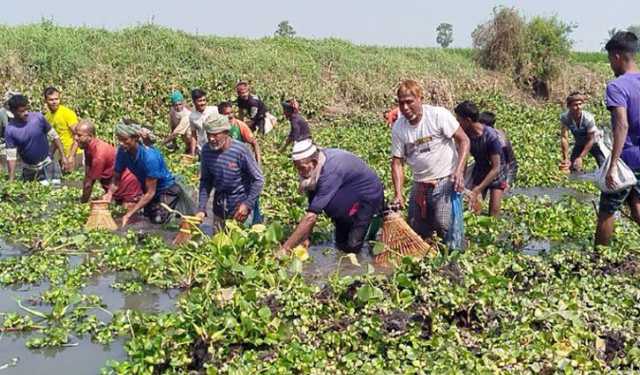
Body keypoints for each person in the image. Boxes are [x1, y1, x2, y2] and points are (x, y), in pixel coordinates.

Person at [391, 80, 470, 244]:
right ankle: (428, 261)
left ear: (420, 98)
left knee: (444, 224)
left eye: (409, 102)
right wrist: (398, 194)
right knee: (416, 227)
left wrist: (459, 171)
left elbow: (464, 141)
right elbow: (397, 162)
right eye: (401, 103)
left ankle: (452, 258)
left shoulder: (438, 115)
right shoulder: (399, 127)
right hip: (420, 181)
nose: (405, 108)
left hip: (445, 178)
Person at [281, 140, 384, 254]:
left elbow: (311, 217)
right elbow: (313, 200)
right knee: (340, 243)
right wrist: (305, 236)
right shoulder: (315, 166)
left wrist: (284, 249)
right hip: (346, 192)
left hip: (367, 195)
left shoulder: (329, 172)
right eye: (297, 168)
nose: (299, 172)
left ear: (314, 162)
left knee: (352, 246)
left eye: (302, 168)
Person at [595, 31, 640, 246]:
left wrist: (612, 165)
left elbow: (622, 125)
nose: (611, 65)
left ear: (617, 57)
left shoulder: (617, 86)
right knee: (636, 204)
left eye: (610, 60)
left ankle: (599, 258)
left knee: (607, 209)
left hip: (628, 157)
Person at [103, 122, 195, 226]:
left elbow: (151, 192)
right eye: (119, 139)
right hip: (148, 190)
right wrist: (109, 193)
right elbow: (116, 177)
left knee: (158, 221)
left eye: (125, 140)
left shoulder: (150, 157)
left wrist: (129, 214)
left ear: (135, 138)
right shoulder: (123, 151)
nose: (121, 143)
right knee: (146, 218)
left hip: (166, 190)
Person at [195, 114, 264, 232]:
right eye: (208, 134)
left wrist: (247, 205)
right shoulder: (206, 151)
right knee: (219, 243)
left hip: (240, 208)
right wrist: (201, 208)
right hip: (219, 207)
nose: (211, 138)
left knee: (240, 245)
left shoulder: (240, 150)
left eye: (215, 134)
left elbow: (258, 180)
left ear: (226, 133)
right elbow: (206, 181)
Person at [455, 101, 507, 217]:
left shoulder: (490, 136)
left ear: (468, 120)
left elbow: (496, 167)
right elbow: (464, 158)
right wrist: (461, 179)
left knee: (494, 213)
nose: (457, 123)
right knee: (474, 210)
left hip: (497, 173)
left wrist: (478, 189)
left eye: (459, 120)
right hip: (481, 168)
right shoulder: (465, 135)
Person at [74, 120, 142, 207]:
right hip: (114, 185)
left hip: (128, 186)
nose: (75, 138)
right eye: (75, 134)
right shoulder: (88, 147)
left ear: (90, 136)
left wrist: (82, 204)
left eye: (79, 135)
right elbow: (87, 175)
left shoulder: (99, 154)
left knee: (128, 215)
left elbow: (89, 183)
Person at [5, 94, 66, 185]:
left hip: (48, 164)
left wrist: (63, 156)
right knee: (33, 195)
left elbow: (55, 136)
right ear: (13, 111)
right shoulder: (10, 130)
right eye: (21, 111)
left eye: (26, 109)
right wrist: (11, 180)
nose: (26, 113)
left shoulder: (38, 118)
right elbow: (11, 157)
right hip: (29, 169)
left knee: (56, 192)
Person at [560, 92, 606, 171]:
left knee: (603, 165)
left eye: (580, 104)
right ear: (569, 106)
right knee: (573, 167)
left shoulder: (588, 118)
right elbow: (564, 137)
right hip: (580, 142)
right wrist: (566, 159)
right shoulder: (565, 118)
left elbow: (591, 139)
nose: (578, 107)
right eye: (575, 105)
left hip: (594, 143)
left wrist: (581, 157)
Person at [43, 87, 82, 171]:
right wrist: (49, 155)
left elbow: (78, 136)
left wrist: (71, 156)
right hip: (62, 155)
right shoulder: (47, 117)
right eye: (51, 100)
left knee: (73, 180)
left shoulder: (67, 113)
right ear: (45, 101)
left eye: (56, 99)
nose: (54, 102)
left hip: (74, 154)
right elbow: (55, 139)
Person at [479, 111, 518, 189]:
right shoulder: (479, 135)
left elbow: (512, 162)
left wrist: (508, 181)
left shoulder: (501, 139)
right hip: (485, 171)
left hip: (500, 173)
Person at [188, 89, 218, 156]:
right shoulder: (192, 116)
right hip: (203, 147)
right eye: (200, 101)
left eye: (204, 100)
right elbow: (194, 135)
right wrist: (192, 153)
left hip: (216, 145)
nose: (203, 103)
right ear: (194, 102)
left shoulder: (214, 110)